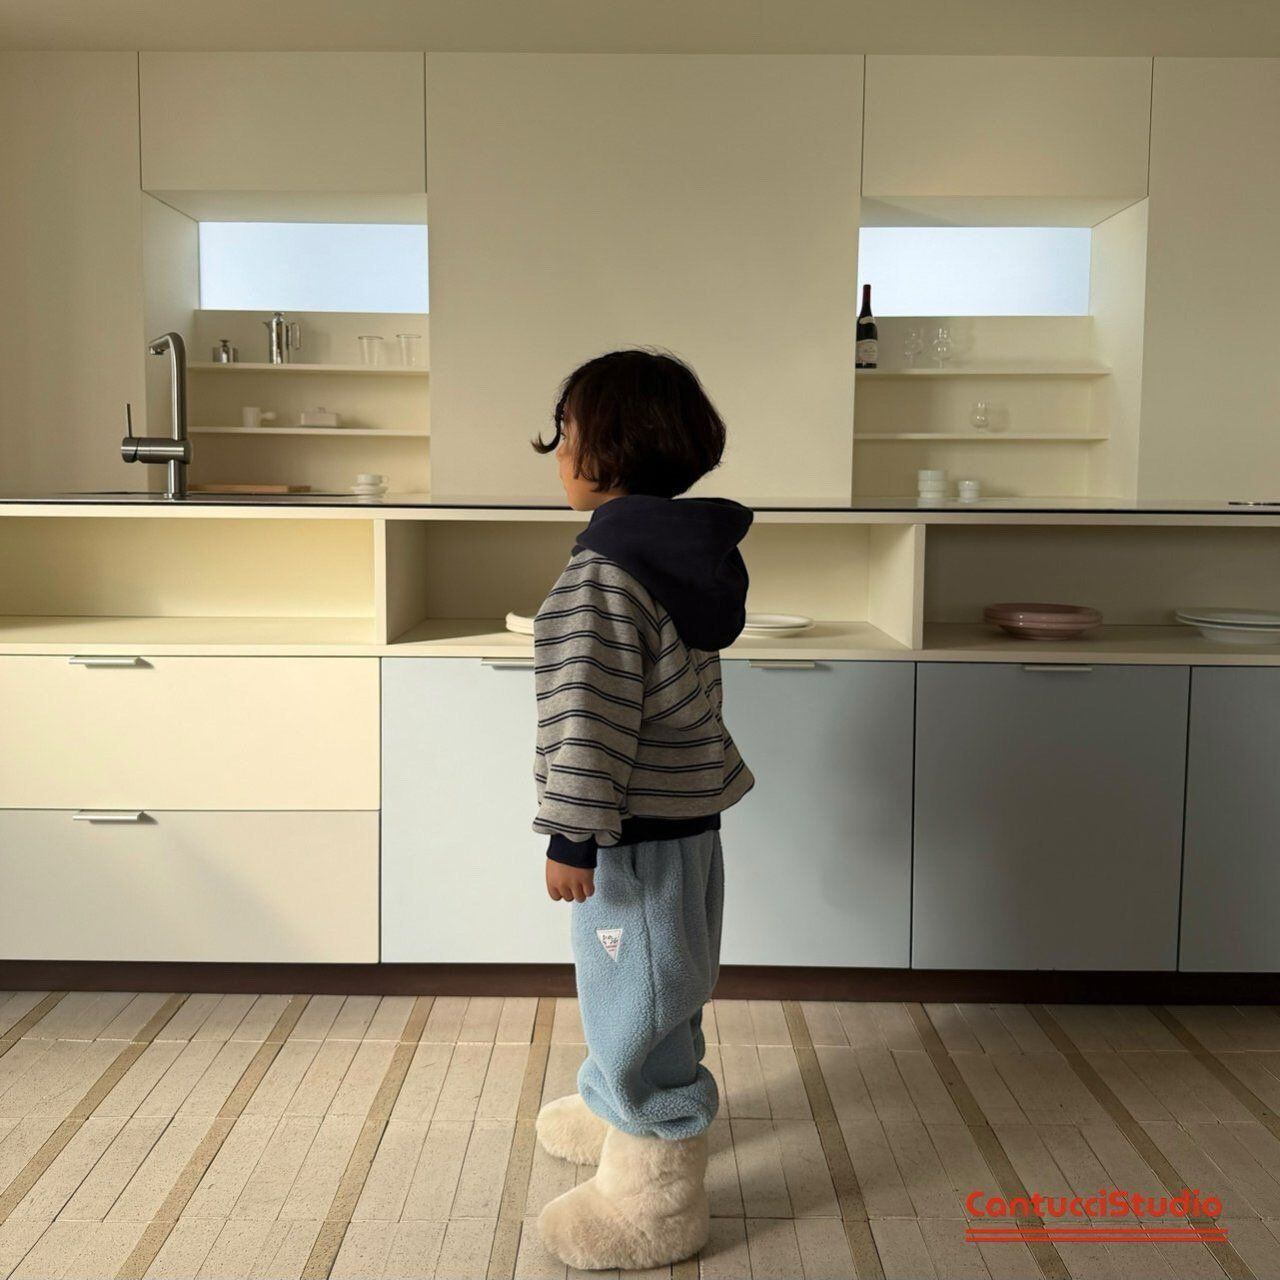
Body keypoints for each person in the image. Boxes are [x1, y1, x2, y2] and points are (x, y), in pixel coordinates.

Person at [527, 348, 756, 1270]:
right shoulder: (684, 560)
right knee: (662, 986)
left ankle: (653, 1200)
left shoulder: (604, 575)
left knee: (641, 999)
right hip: (684, 824)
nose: (557, 453)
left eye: (567, 434)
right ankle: (612, 1110)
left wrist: (572, 833)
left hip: (628, 833)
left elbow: (591, 717)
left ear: (609, 450)